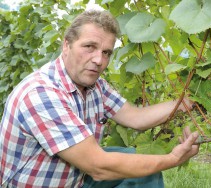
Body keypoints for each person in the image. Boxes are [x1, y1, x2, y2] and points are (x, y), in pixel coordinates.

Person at [0, 10, 200, 187]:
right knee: (117, 165)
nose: (99, 60)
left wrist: (185, 103)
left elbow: (137, 118)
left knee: (140, 167)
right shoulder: (41, 94)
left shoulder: (96, 86)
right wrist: (173, 158)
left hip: (75, 178)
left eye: (106, 52)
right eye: (89, 46)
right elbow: (98, 167)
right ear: (66, 45)